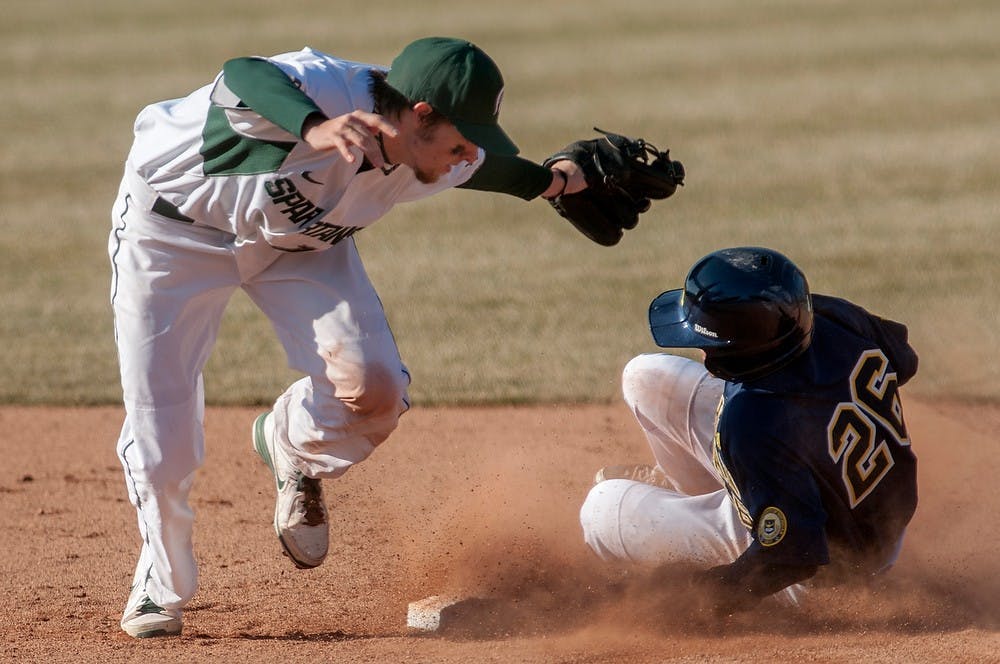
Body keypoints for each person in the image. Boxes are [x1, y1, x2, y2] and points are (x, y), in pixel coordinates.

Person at [109, 36, 589, 638]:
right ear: (418, 115)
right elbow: (243, 74)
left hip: (303, 247)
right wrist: (311, 127)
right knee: (164, 426)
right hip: (173, 237)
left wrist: (555, 182)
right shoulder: (331, 87)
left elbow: (486, 168)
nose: (465, 156)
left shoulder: (426, 144)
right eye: (458, 142)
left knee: (377, 387)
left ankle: (292, 443)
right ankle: (160, 579)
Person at [579, 246, 919, 613]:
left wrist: (699, 593)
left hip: (825, 570)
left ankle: (726, 504)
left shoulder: (751, 421)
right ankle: (705, 490)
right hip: (859, 506)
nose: (699, 348)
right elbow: (904, 360)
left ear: (738, 352)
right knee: (645, 377)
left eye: (706, 340)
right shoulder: (827, 315)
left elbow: (793, 556)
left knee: (601, 508)